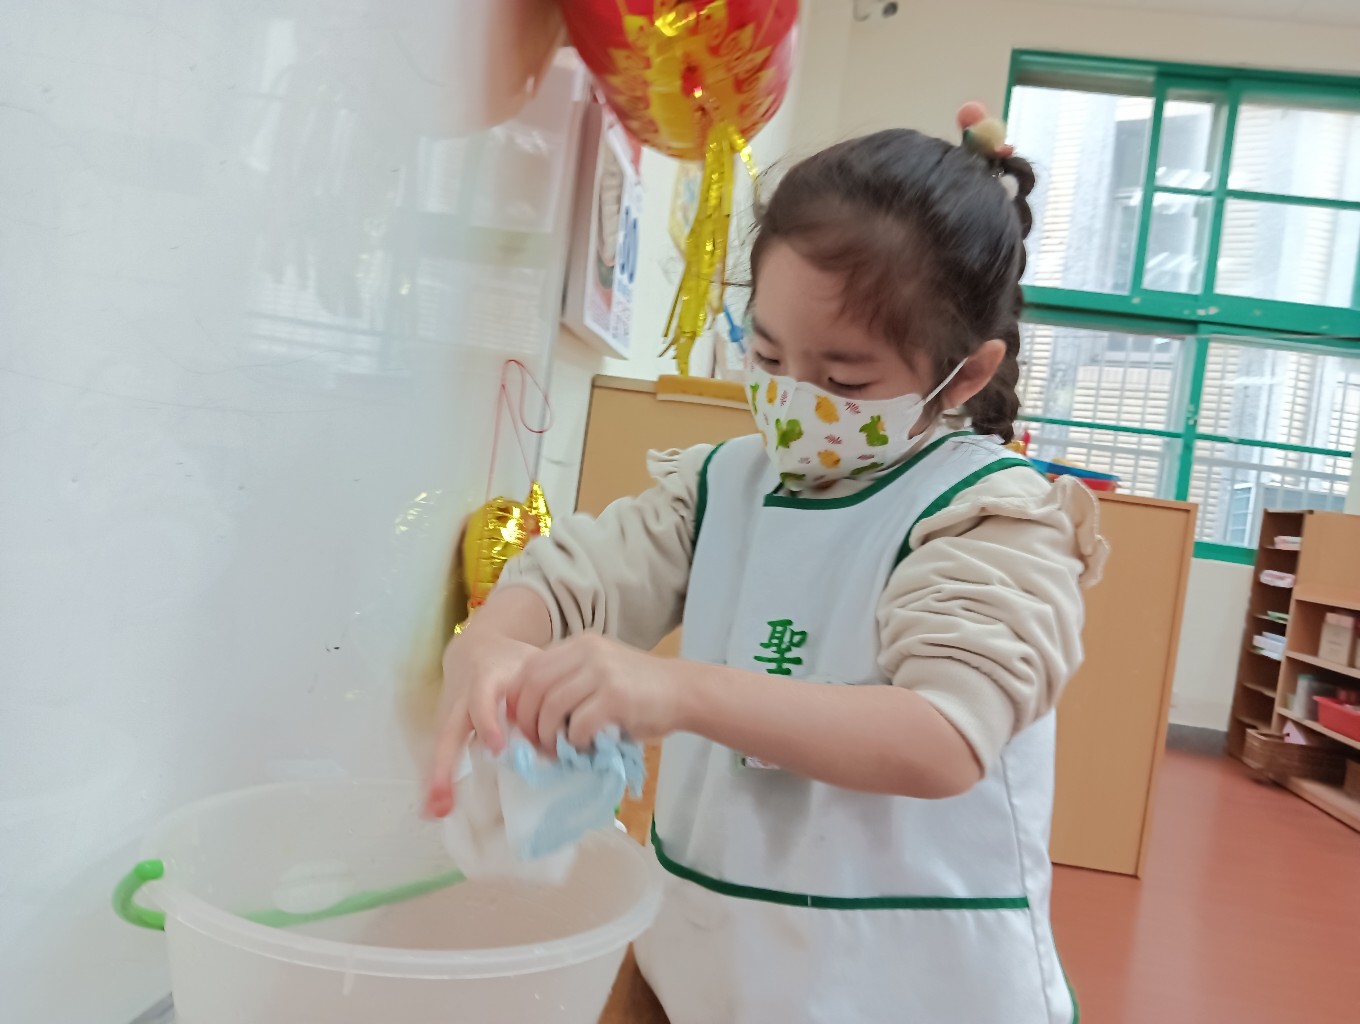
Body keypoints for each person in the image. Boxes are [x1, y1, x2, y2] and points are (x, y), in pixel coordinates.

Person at [425, 106, 1106, 1023]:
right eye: (769, 353)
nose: (792, 401)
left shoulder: (991, 516)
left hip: (908, 985)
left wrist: (675, 692)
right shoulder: (722, 485)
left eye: (845, 380)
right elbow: (575, 579)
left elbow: (944, 737)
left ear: (967, 375)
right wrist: (492, 647)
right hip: (712, 967)